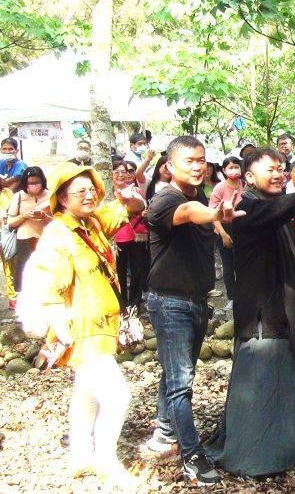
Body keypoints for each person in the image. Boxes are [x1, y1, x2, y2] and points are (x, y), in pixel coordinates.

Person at [206, 147, 295, 476]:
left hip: (281, 301)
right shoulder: (246, 207)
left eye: (281, 168)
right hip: (260, 310)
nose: (278, 174)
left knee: (283, 371)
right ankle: (257, 456)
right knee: (264, 370)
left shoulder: (268, 206)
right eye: (269, 170)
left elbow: (279, 215)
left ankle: (289, 442)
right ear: (249, 176)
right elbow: (274, 212)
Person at [20, 162, 144, 483]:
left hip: (103, 324)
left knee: (86, 392)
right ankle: (106, 459)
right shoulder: (57, 234)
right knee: (117, 396)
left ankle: (79, 453)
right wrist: (55, 318)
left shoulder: (91, 224)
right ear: (62, 198)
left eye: (92, 189)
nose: (89, 195)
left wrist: (130, 198)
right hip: (80, 327)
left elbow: (127, 210)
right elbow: (45, 280)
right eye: (80, 191)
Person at [143, 136, 243, 486]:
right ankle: (193, 456)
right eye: (189, 161)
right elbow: (188, 215)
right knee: (182, 383)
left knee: (174, 373)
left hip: (196, 299)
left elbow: (197, 210)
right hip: (170, 302)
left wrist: (215, 215)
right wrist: (216, 213)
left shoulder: (196, 194)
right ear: (169, 166)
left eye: (202, 160)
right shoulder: (167, 198)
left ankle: (164, 433)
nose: (198, 166)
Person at [111, 161, 150, 310]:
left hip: (136, 236)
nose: (121, 175)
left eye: (124, 171)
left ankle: (134, 305)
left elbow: (141, 208)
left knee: (137, 271)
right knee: (118, 273)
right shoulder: (107, 192)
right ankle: (121, 305)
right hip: (116, 238)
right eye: (117, 172)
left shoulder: (135, 191)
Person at [6, 166, 51, 291]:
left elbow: (59, 220)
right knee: (26, 277)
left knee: (46, 275)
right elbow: (10, 223)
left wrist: (45, 217)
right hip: (25, 241)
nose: (34, 186)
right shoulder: (19, 197)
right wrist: (24, 216)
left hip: (45, 240)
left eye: (37, 182)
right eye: (30, 183)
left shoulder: (51, 196)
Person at [209, 157, 245, 310]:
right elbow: (213, 213)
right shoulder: (219, 188)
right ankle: (232, 297)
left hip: (243, 228)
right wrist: (223, 234)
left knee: (243, 264)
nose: (234, 170)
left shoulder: (246, 185)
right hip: (224, 229)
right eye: (230, 167)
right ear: (224, 170)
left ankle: (245, 295)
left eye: (236, 166)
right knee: (228, 265)